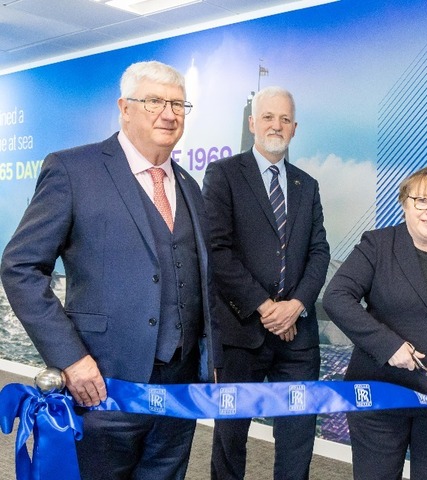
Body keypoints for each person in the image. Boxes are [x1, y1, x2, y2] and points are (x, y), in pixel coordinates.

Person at [0, 60, 220, 479]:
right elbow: (21, 267)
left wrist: (208, 366)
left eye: (178, 104)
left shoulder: (190, 187)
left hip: (178, 389)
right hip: (103, 384)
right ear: (125, 107)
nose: (169, 113)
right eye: (154, 101)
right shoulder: (73, 170)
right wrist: (71, 359)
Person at [323, 166, 427, 480]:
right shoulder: (376, 245)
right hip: (380, 395)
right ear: (405, 204)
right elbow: (337, 297)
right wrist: (388, 346)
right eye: (421, 201)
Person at [203, 86, 330, 480]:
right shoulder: (223, 174)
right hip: (242, 332)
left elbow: (319, 253)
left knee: (297, 439)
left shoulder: (306, 186)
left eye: (285, 119)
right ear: (252, 123)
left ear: (294, 128)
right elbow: (218, 250)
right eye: (269, 117)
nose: (277, 126)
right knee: (230, 437)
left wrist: (296, 306)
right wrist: (264, 306)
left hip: (298, 337)